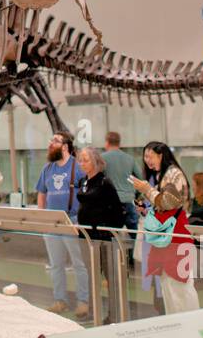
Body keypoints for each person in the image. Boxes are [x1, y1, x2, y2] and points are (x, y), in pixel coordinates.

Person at [131, 141, 199, 314]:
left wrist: (147, 190)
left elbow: (169, 203)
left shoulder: (174, 174)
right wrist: (146, 210)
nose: (147, 161)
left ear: (161, 155)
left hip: (176, 237)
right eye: (145, 157)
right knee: (168, 286)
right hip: (166, 238)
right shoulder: (162, 175)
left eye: (150, 156)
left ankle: (190, 323)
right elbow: (162, 208)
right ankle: (176, 323)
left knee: (179, 286)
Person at [36, 131, 90, 320]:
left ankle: (83, 301)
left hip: (72, 221)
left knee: (78, 263)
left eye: (55, 141)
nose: (51, 143)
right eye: (51, 140)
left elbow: (86, 195)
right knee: (55, 264)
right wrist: (42, 218)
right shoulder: (48, 169)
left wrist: (81, 221)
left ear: (65, 146)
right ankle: (60, 299)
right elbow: (42, 193)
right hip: (51, 222)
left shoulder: (78, 167)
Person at [76, 147, 128, 323]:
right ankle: (93, 311)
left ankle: (114, 314)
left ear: (96, 161)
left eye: (86, 160)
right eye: (80, 160)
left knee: (110, 277)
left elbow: (118, 213)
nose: (82, 164)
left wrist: (107, 230)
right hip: (86, 237)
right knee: (91, 276)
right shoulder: (83, 181)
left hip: (104, 239)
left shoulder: (105, 183)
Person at [102, 132, 139, 229]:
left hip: (110, 204)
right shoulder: (130, 158)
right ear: (119, 143)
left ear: (107, 142)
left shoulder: (102, 158)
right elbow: (140, 178)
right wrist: (136, 195)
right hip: (129, 201)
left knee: (112, 238)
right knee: (133, 237)